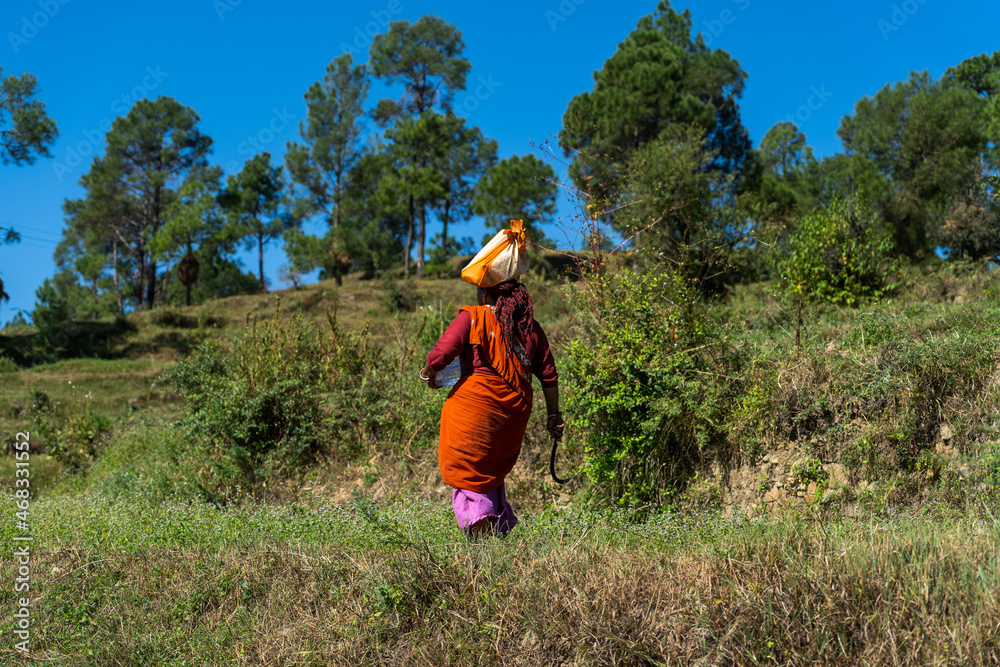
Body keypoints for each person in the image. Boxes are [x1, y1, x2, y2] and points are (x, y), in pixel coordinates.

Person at [420, 279, 565, 537]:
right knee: (488, 471)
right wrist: (554, 415)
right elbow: (549, 375)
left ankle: (480, 541)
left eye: (479, 289)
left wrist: (429, 370)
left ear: (485, 293)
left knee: (468, 472)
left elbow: (443, 352)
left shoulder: (473, 317)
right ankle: (492, 532)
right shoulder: (532, 330)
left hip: (473, 411)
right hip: (513, 418)